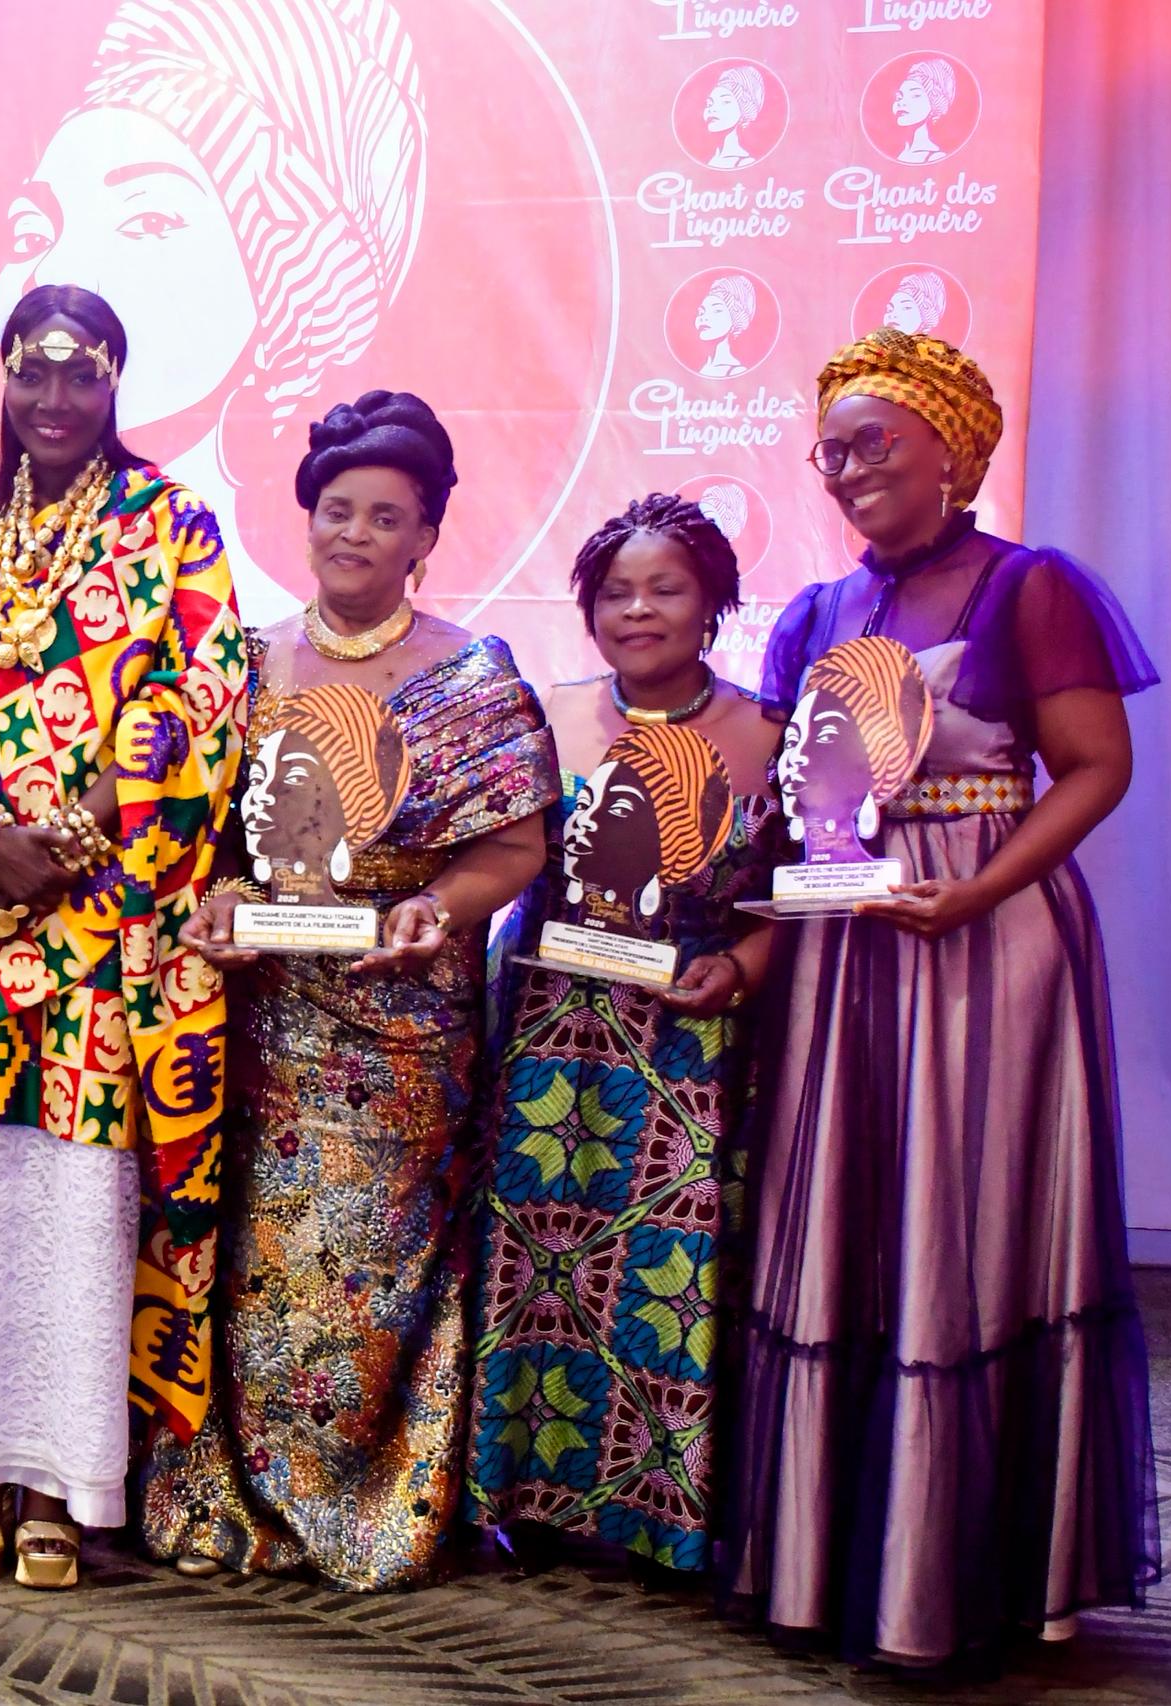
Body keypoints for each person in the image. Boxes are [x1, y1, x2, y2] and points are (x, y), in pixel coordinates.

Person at [717, 328, 1161, 1667]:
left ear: (954, 448)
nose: (848, 468)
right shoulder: (815, 613)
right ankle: (830, 1558)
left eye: (876, 442)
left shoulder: (1032, 587)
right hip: (846, 946)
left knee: (968, 1220)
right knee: (849, 1219)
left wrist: (974, 891)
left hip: (986, 938)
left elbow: (1095, 767)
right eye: (830, 451)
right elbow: (790, 801)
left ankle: (968, 1572)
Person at [149, 389, 556, 1590]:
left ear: (426, 534)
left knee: (376, 1261)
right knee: (250, 1251)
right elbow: (211, 838)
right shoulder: (242, 660)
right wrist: (220, 900)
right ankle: (235, 1492)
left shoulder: (472, 672)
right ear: (307, 517)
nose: (356, 534)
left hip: (403, 1010)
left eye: (386, 516)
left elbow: (515, 847)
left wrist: (439, 909)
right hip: (266, 1008)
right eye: (338, 509)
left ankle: (364, 1504)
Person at [0, 284, 249, 1592]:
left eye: (82, 373)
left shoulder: (175, 524)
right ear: (3, 376)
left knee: (80, 1179)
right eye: (31, 372)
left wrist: (73, 835)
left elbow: (202, 702)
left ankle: (56, 1477)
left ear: (115, 382)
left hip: (106, 900)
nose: (54, 399)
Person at [464, 493, 783, 1578]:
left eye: (665, 589)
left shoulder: (768, 731)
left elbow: (791, 899)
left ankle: (661, 1515)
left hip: (688, 1041)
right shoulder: (546, 713)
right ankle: (520, 1494)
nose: (637, 610)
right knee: (532, 1262)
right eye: (614, 592)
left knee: (669, 1272)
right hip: (550, 1032)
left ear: (713, 602)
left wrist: (740, 968)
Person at [0, 0, 425, 626]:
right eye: (33, 233)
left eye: (148, 221)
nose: (65, 277)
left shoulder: (235, 600)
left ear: (286, 279)